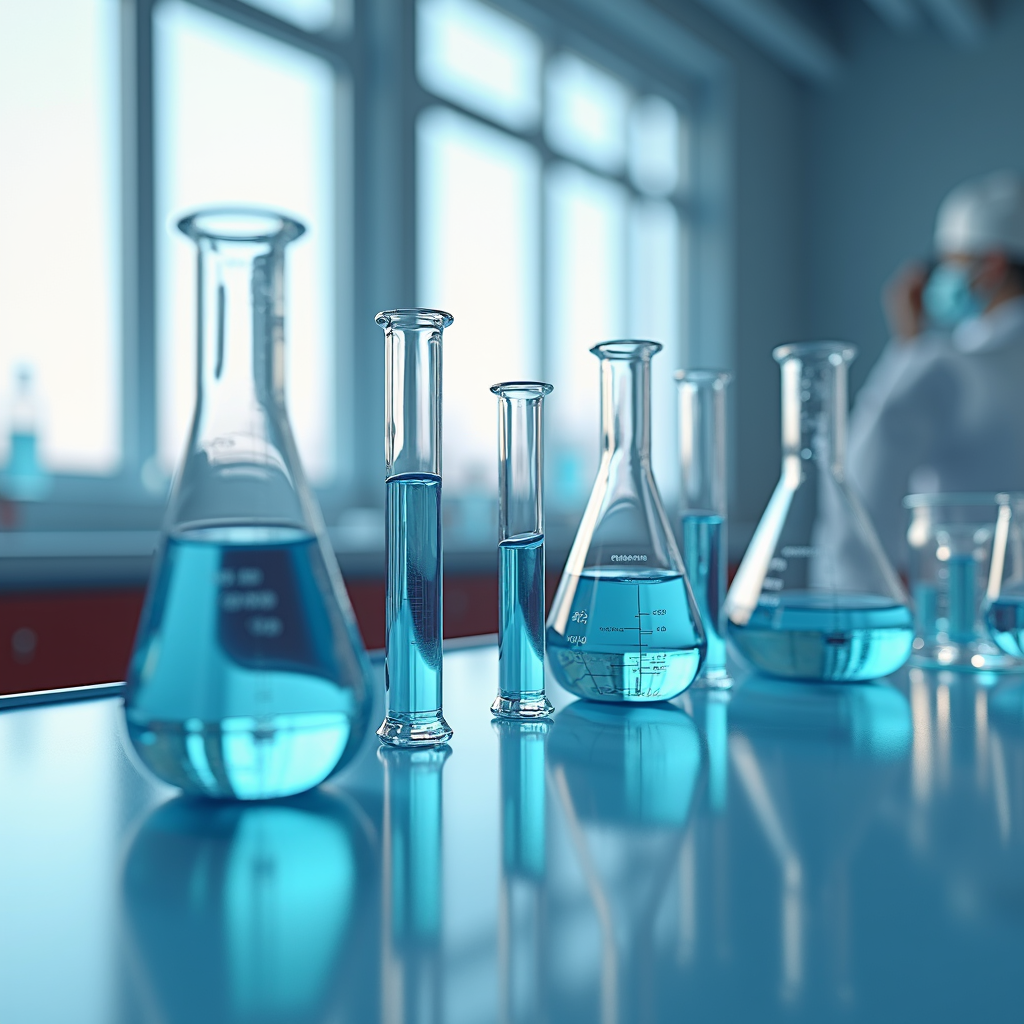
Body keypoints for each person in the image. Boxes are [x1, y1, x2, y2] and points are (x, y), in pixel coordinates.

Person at [843, 170, 1024, 572]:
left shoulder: (945, 366)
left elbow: (858, 510)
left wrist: (908, 350)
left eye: (948, 263)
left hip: (965, 617)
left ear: (990, 266)